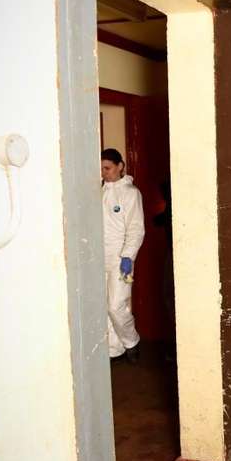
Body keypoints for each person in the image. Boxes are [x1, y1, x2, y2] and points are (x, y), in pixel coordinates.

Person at [101, 148, 145, 363]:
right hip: (100, 257)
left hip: (121, 258)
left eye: (108, 168)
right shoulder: (100, 192)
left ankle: (132, 342)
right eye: (101, 169)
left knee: (116, 305)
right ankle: (114, 349)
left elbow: (136, 228)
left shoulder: (130, 193)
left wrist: (128, 256)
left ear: (120, 166)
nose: (104, 173)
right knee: (104, 305)